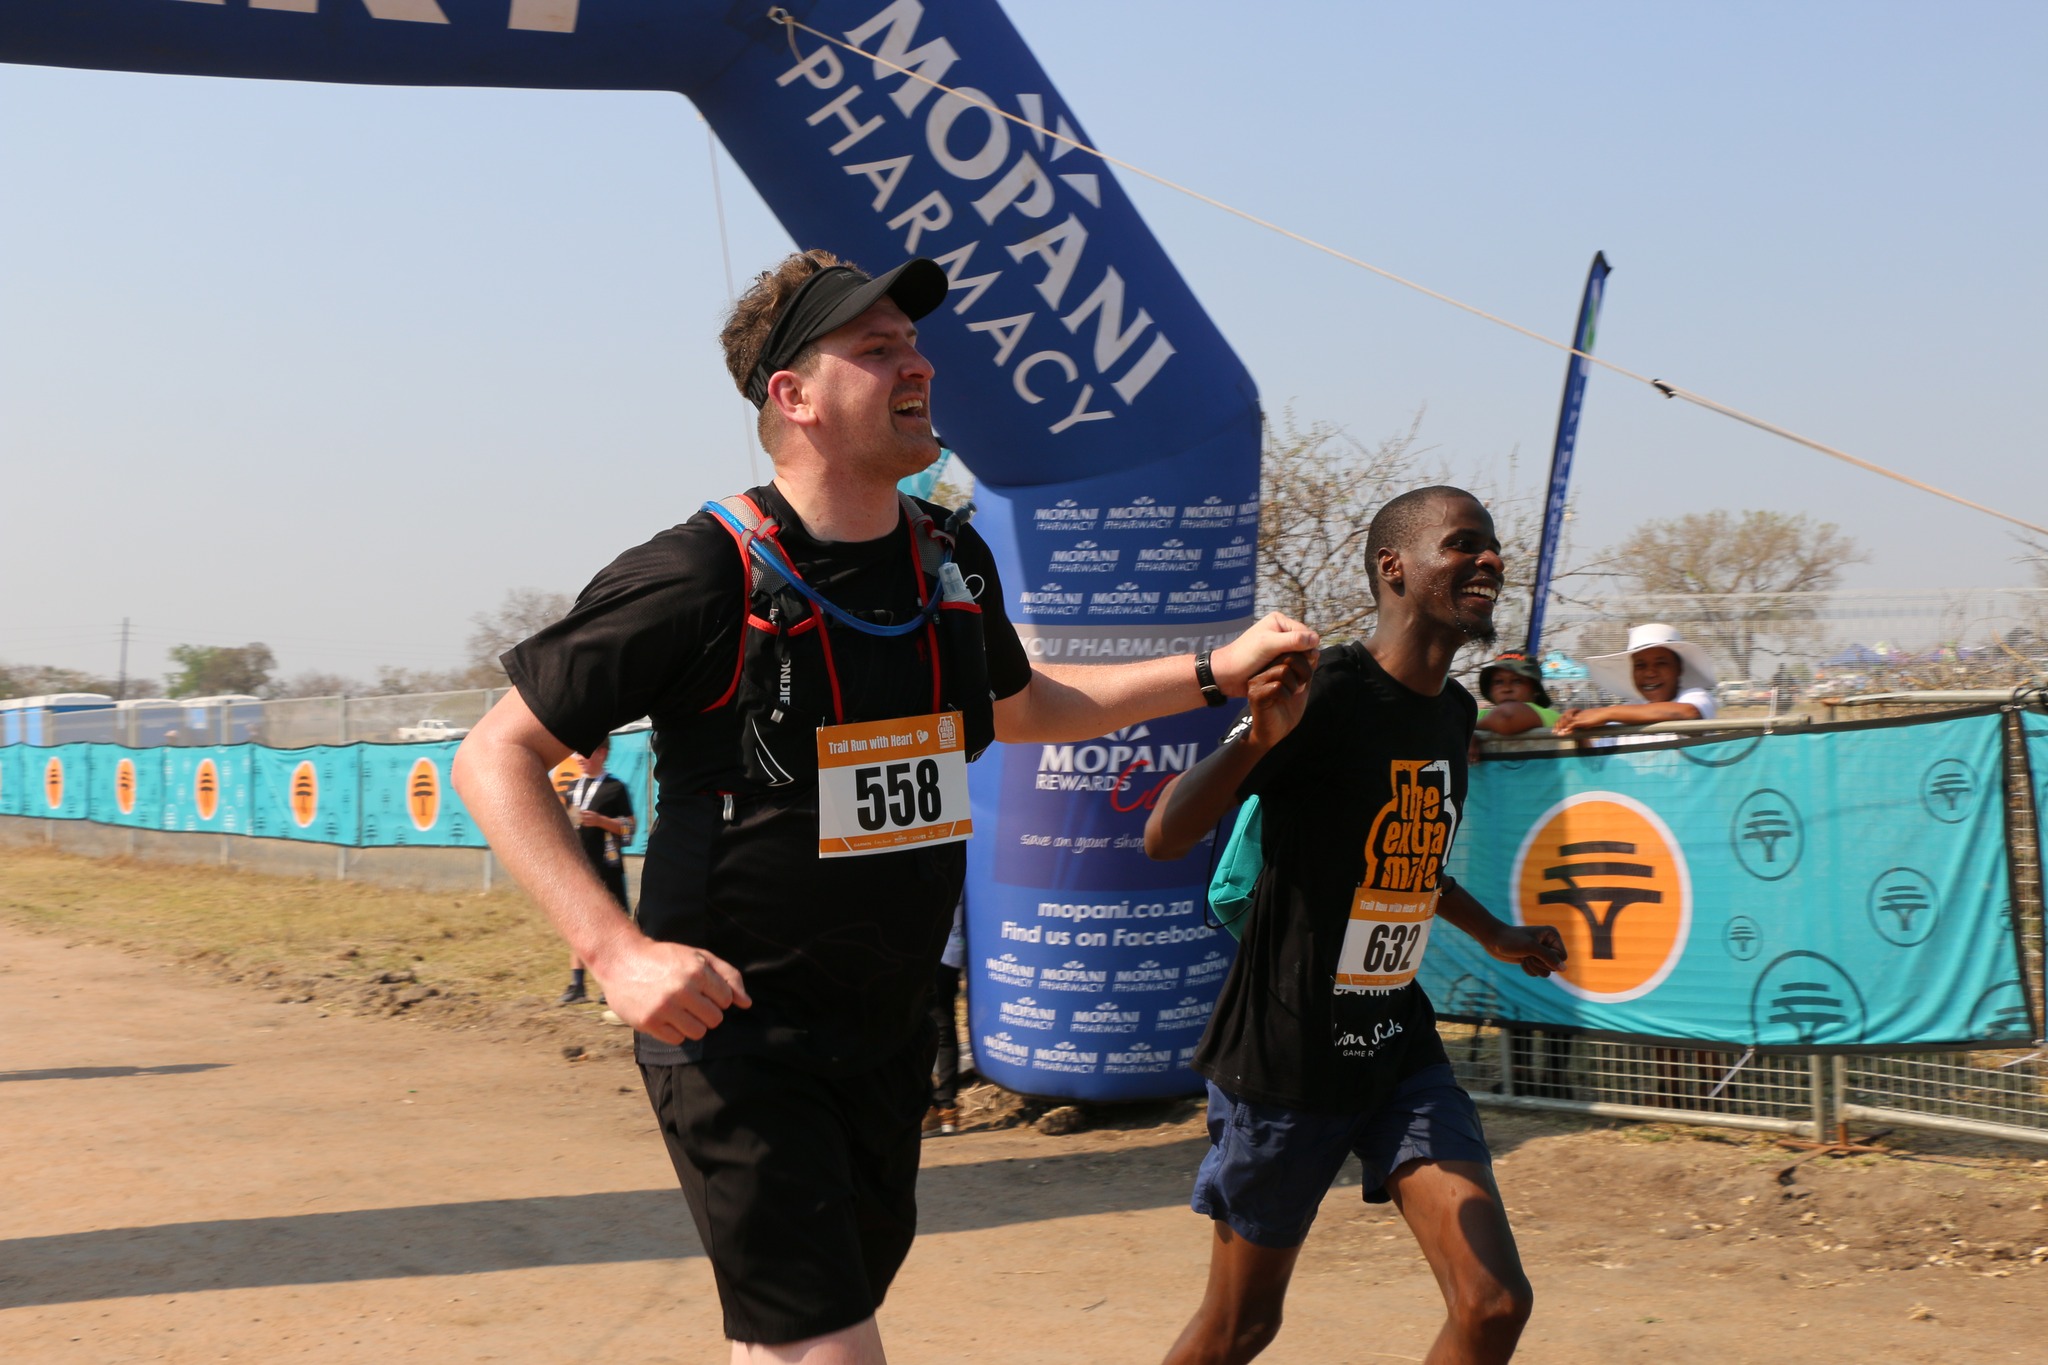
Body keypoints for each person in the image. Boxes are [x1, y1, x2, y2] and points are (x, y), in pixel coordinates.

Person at [452, 248, 1318, 1365]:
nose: (916, 365)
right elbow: (495, 757)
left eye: (912, 345)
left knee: (791, 1338)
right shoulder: (699, 574)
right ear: (793, 396)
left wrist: (1215, 670)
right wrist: (614, 953)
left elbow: (1026, 705)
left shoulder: (947, 558)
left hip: (886, 1034)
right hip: (738, 1038)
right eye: (875, 350)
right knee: (829, 1349)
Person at [1143, 485, 1567, 1365]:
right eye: (1463, 544)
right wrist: (1257, 738)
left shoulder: (1452, 712)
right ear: (1395, 568)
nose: (1490, 560)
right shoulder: (1324, 691)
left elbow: (1409, 860)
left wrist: (1497, 934)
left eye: (1492, 546)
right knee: (1242, 1327)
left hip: (1396, 1048)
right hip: (1284, 1059)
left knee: (1492, 1304)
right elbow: (1165, 833)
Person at [557, 738, 636, 1006]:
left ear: (602, 753)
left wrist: (601, 821)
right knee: (577, 923)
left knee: (610, 924)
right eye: (577, 753)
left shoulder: (615, 788)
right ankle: (576, 984)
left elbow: (630, 828)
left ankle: (611, 985)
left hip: (606, 866)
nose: (579, 757)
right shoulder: (571, 787)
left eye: (585, 752)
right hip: (578, 867)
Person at [1552, 622, 1718, 735]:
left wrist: (1606, 713)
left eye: (1661, 663)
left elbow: (1689, 712)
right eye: (1640, 665)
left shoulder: (1695, 697)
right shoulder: (1628, 709)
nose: (1650, 673)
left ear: (1678, 668)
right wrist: (1578, 726)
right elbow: (1599, 762)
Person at [923, 897, 967, 1138]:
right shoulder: (963, 859)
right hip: (951, 947)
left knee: (915, 1027)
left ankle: (930, 1110)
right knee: (944, 1024)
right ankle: (947, 1109)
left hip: (924, 948)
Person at [1468, 652, 1559, 762]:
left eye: (1517, 681)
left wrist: (1468, 730)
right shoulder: (1483, 714)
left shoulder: (1548, 715)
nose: (1506, 689)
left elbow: (1506, 717)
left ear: (1535, 689)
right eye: (1498, 682)